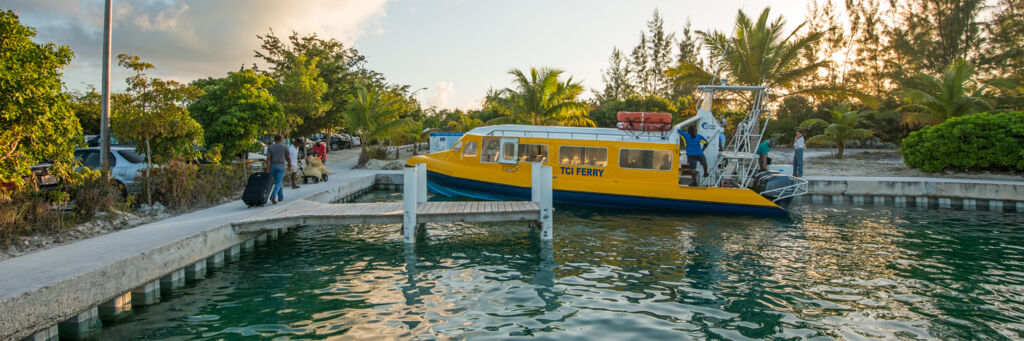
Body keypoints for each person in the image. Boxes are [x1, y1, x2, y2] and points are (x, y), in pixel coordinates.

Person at [265, 135, 291, 205]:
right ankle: (273, 196)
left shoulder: (270, 147)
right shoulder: (284, 147)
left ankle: (280, 196)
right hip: (281, 166)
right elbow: (288, 157)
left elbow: (268, 159)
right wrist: (289, 165)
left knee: (277, 182)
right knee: (278, 182)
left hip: (272, 166)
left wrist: (267, 169)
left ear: (274, 139)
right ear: (281, 140)